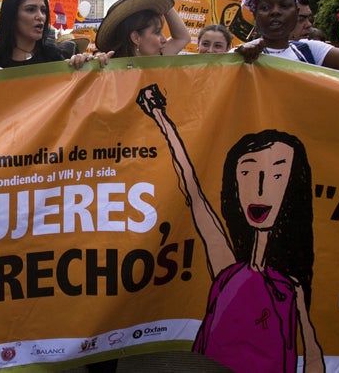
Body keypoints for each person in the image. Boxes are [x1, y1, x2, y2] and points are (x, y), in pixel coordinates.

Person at [136, 84, 324, 373]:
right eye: (247, 172)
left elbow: (313, 358)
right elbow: (192, 189)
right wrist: (160, 117)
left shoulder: (290, 288)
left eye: (276, 174)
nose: (260, 187)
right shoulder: (229, 271)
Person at [0, 0, 109, 71]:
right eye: (31, 9)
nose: (40, 16)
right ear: (12, 15)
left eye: (43, 10)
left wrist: (88, 66)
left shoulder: (53, 57)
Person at [95, 0, 190, 57]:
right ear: (136, 37)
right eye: (157, 32)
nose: (164, 39)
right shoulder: (107, 67)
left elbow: (182, 38)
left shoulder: (157, 58)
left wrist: (164, 5)